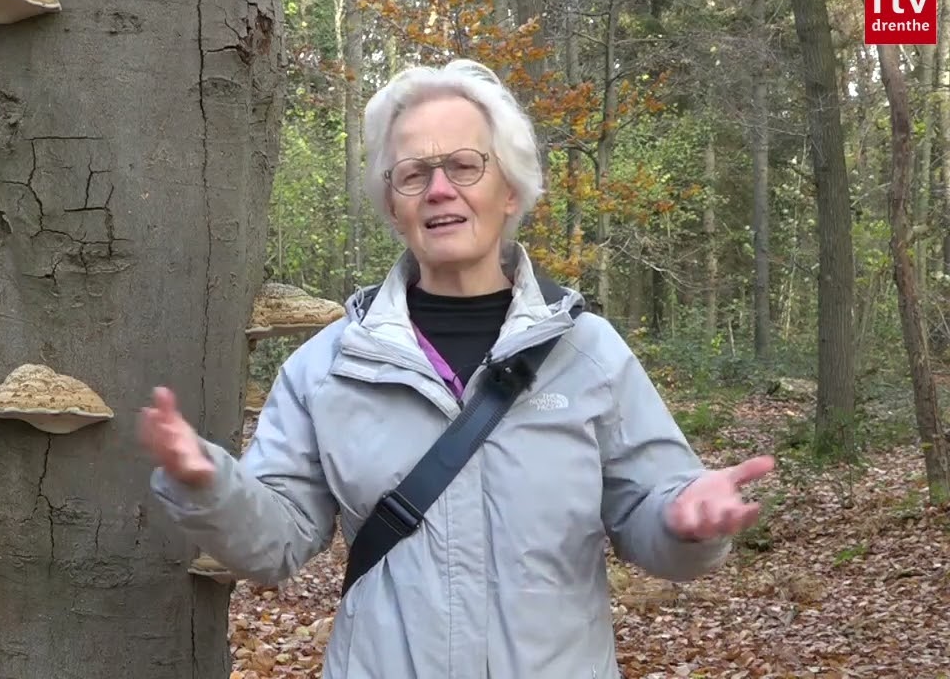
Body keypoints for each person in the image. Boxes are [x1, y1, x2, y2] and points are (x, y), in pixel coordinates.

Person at [139, 58, 774, 678]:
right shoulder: (328, 367)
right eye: (413, 173)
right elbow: (275, 543)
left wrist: (686, 520)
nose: (440, 188)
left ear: (512, 189)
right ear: (393, 205)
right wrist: (208, 485)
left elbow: (650, 517)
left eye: (465, 165)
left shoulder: (589, 354)